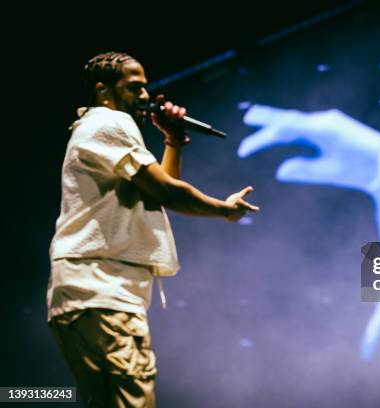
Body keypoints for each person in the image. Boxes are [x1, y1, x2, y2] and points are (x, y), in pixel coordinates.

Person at [47, 51, 259, 407]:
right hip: (104, 289)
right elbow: (166, 192)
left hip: (79, 295)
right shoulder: (110, 123)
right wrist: (224, 209)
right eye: (134, 87)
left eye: (146, 87)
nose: (145, 96)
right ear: (103, 91)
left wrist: (172, 142)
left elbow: (154, 193)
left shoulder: (93, 129)